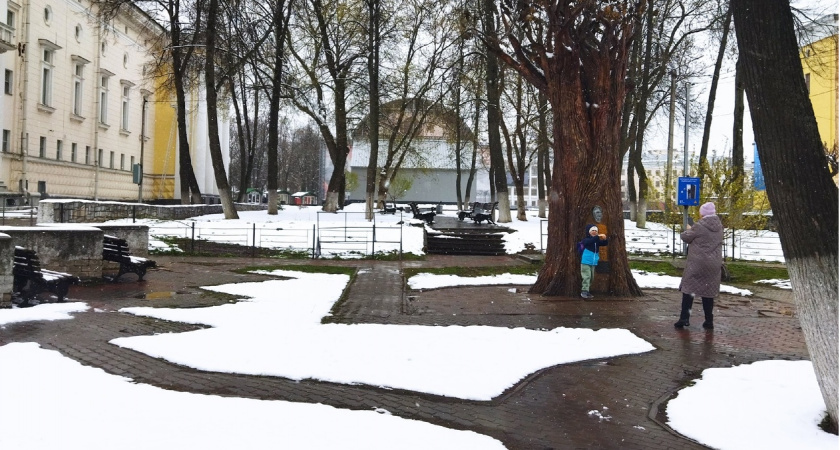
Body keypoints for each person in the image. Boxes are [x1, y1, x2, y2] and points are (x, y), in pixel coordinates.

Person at [674, 202, 724, 329]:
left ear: (703, 213)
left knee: (689, 290)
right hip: (714, 264)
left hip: (698, 263)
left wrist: (689, 229)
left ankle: (684, 318)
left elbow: (685, 237)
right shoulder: (719, 226)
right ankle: (709, 321)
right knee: (708, 292)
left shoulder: (700, 226)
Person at [580, 224, 608, 299]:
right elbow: (589, 242)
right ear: (589, 232)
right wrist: (597, 237)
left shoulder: (596, 240)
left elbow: (604, 244)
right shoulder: (586, 240)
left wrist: (605, 239)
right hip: (585, 261)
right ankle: (584, 291)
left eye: (596, 231)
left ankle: (587, 290)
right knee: (586, 276)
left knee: (591, 277)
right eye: (593, 230)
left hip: (593, 262)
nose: (594, 232)